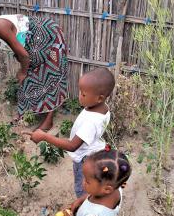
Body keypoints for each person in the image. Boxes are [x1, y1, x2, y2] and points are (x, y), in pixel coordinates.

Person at [29, 67, 115, 197]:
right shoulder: (102, 108)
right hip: (95, 150)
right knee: (93, 184)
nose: (79, 95)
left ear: (99, 98)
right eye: (80, 91)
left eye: (83, 94)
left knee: (83, 189)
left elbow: (72, 146)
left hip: (84, 159)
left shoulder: (91, 122)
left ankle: (83, 210)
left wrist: (44, 136)